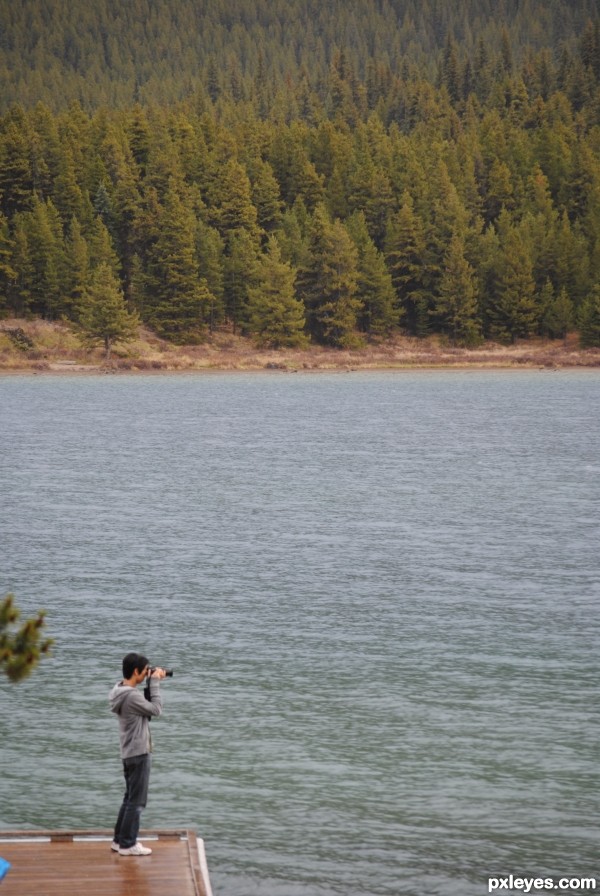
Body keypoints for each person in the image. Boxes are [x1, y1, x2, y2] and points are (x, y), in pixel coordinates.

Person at [109, 652, 167, 856]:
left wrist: (150, 682)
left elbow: (146, 711)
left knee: (129, 798)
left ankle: (119, 840)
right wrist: (155, 684)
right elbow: (156, 709)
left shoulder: (120, 690)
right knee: (137, 801)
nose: (146, 674)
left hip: (128, 752)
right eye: (144, 671)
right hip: (139, 752)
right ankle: (128, 844)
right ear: (135, 671)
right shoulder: (132, 696)